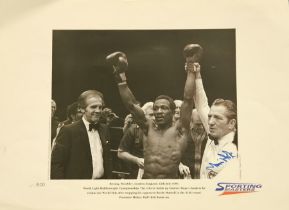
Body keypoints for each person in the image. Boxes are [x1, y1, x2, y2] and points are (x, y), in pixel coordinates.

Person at [106, 46, 201, 178]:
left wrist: (191, 67)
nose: (158, 111)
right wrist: (120, 76)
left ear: (173, 112)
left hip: (170, 187)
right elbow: (132, 105)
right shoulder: (147, 127)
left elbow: (188, 99)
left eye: (164, 108)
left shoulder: (180, 129)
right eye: (155, 108)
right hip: (148, 185)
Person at [192, 62, 240, 179]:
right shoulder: (215, 130)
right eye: (210, 116)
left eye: (217, 118)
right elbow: (201, 104)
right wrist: (196, 74)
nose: (210, 122)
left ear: (231, 123)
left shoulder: (239, 147)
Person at [50, 90, 112, 179]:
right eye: (93, 107)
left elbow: (107, 159)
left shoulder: (104, 129)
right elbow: (57, 164)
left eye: (100, 107)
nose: (98, 111)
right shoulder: (68, 130)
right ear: (82, 109)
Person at [117, 102, 154, 179]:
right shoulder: (133, 130)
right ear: (143, 116)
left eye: (155, 115)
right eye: (151, 115)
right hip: (137, 173)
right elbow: (120, 153)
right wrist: (136, 160)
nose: (154, 118)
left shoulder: (163, 130)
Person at [179, 109, 208, 179]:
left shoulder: (212, 136)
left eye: (203, 124)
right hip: (187, 179)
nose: (201, 127)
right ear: (191, 122)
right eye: (198, 124)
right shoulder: (181, 135)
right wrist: (180, 165)